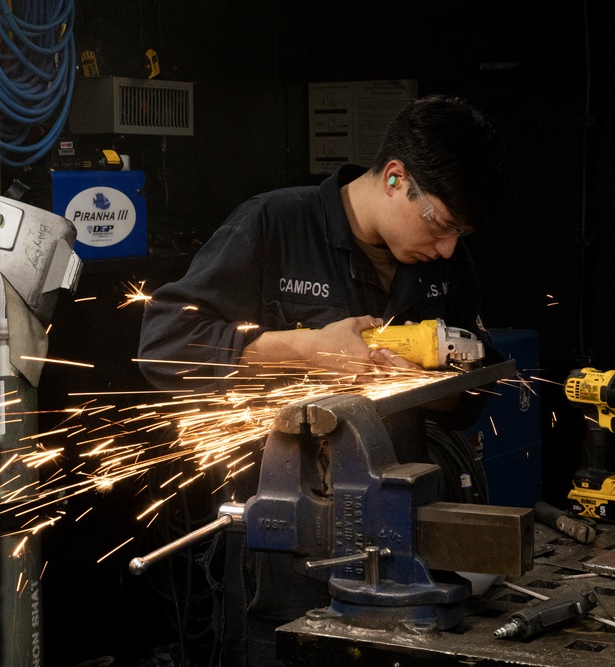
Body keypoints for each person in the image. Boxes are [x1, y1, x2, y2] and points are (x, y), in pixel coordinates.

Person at [137, 94, 513, 666]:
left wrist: (446, 382)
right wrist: (304, 348)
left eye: (461, 233)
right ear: (394, 178)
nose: (447, 247)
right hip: (283, 548)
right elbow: (164, 345)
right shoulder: (274, 224)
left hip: (399, 542)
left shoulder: (447, 264)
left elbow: (470, 397)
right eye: (439, 223)